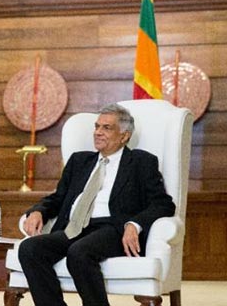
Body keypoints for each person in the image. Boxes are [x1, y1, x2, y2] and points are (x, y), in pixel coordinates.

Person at [18, 103, 176, 306]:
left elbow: (163, 204)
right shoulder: (79, 161)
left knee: (79, 252)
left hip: (111, 228)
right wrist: (38, 211)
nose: (98, 133)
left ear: (124, 136)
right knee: (30, 248)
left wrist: (134, 224)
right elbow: (58, 198)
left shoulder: (141, 162)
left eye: (106, 128)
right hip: (74, 227)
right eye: (97, 126)